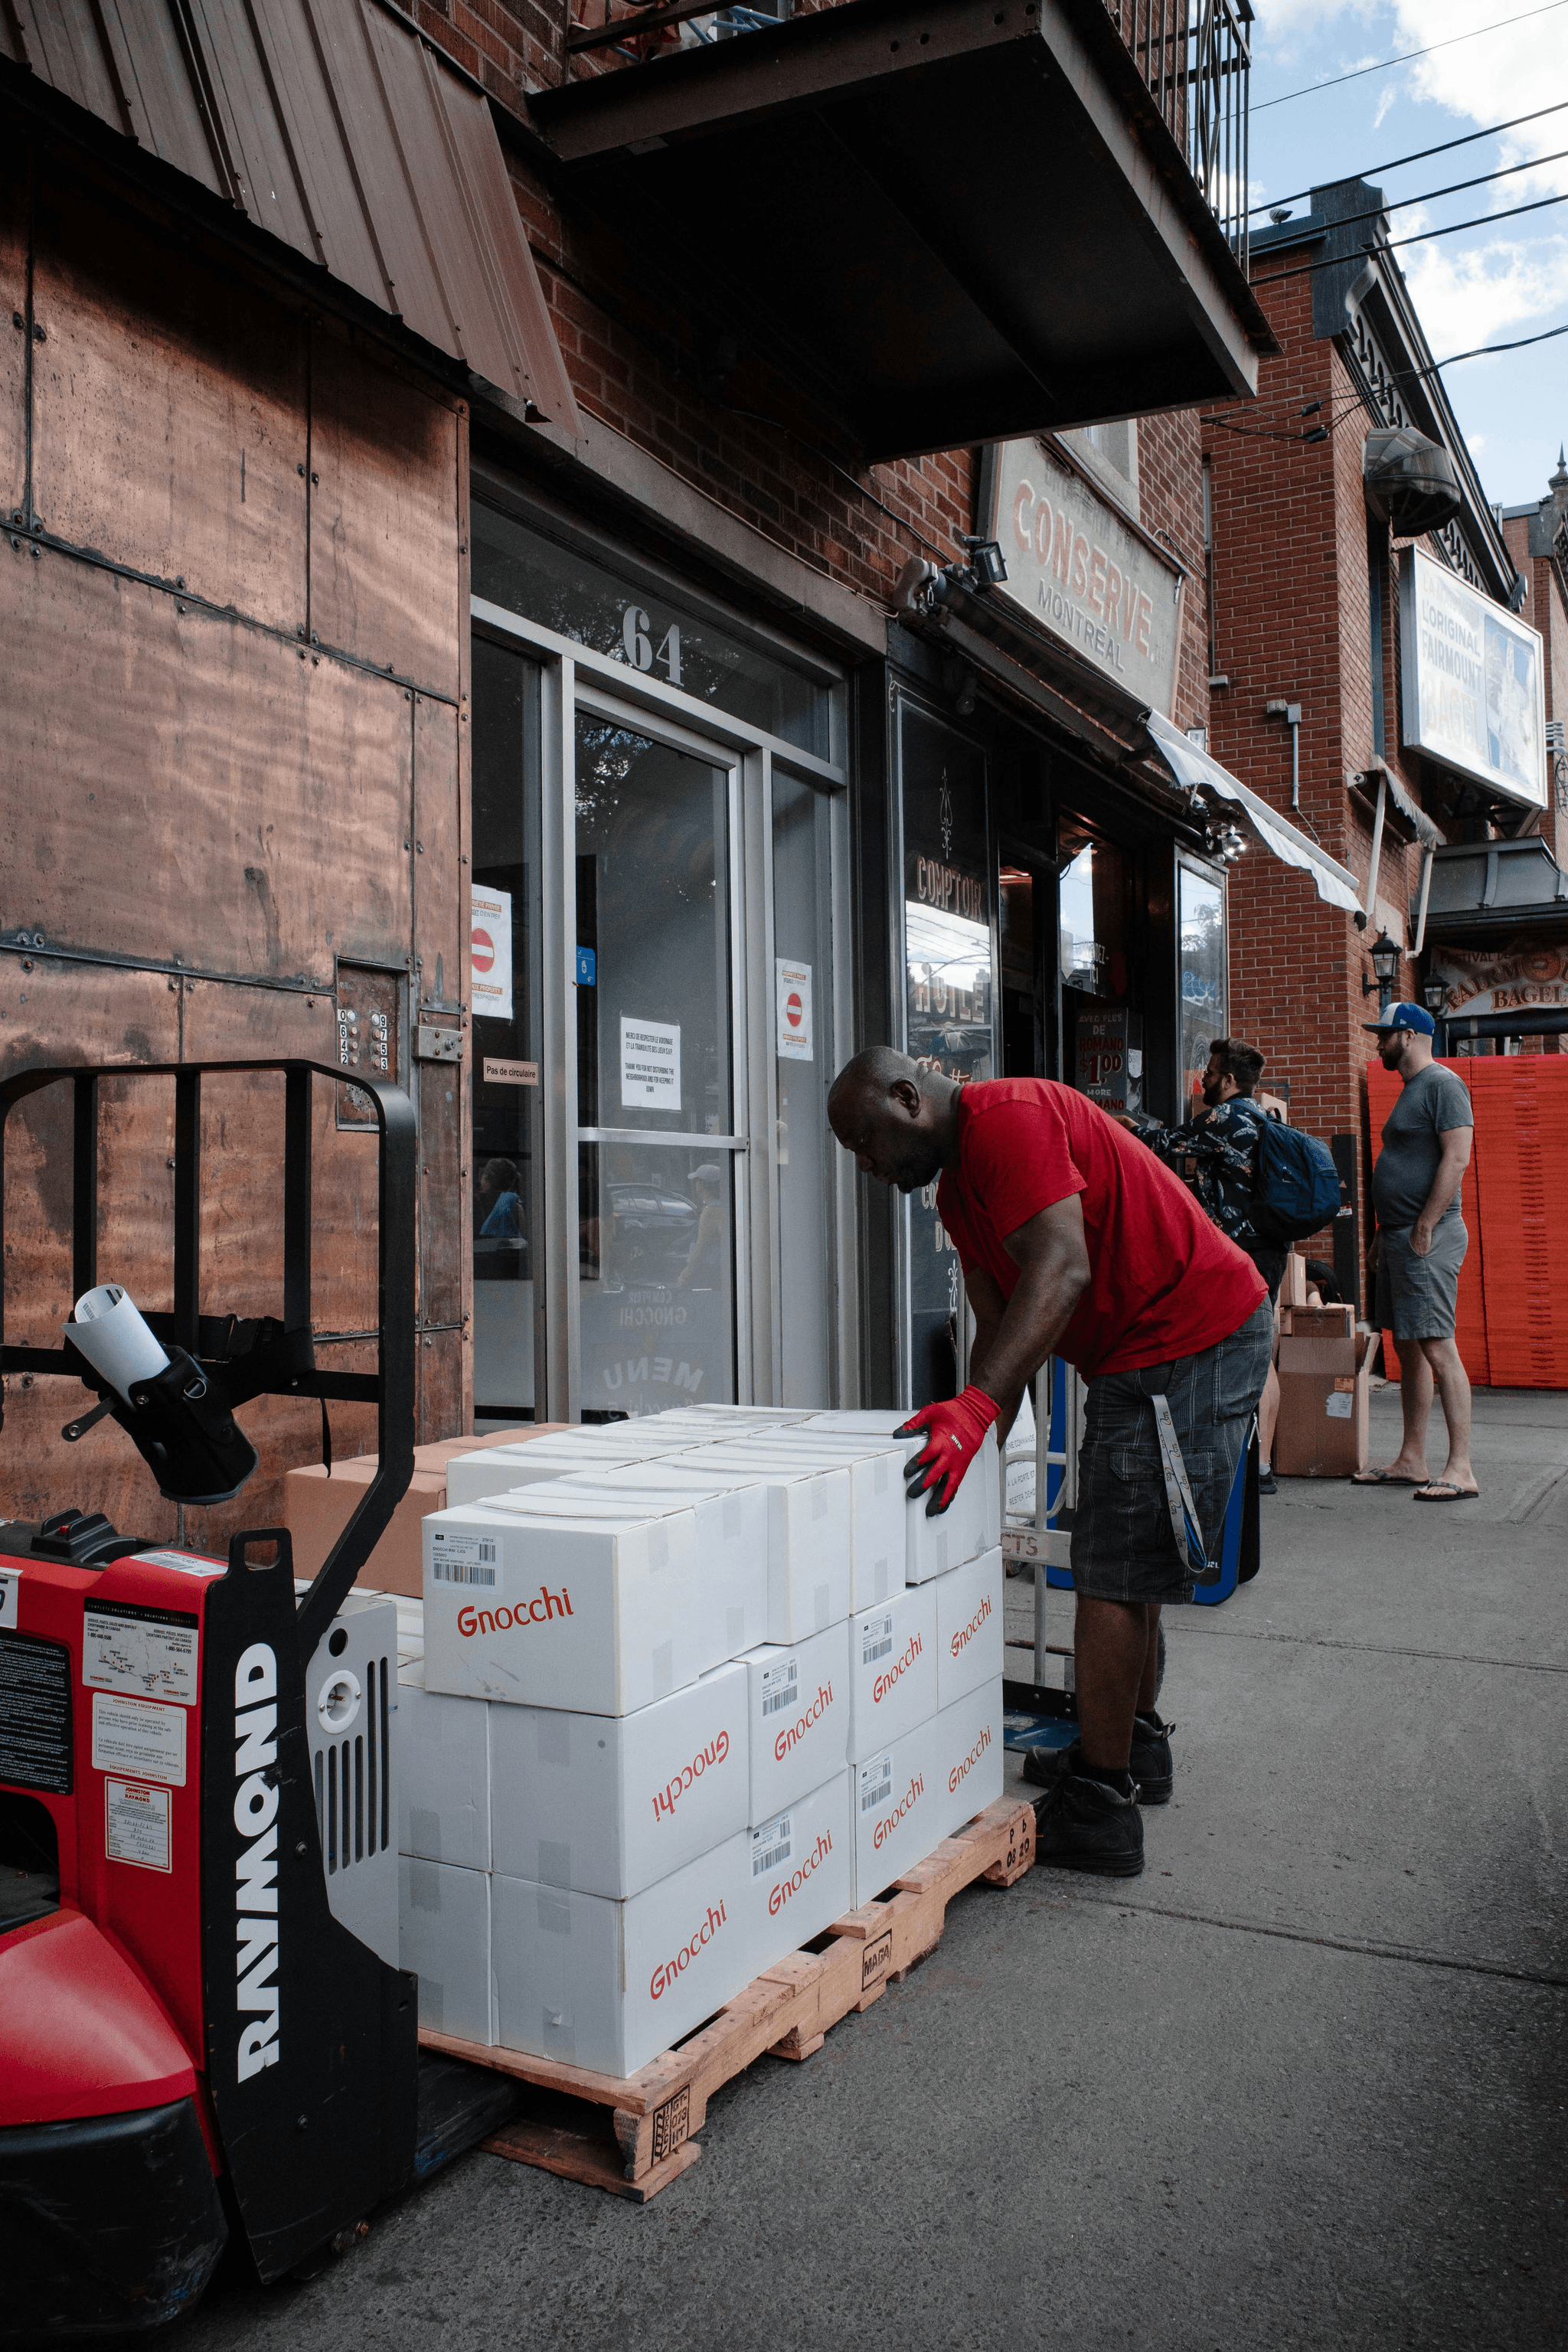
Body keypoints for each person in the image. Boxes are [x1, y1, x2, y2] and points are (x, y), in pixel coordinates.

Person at [827, 1049, 1272, 1878]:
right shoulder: (959, 1188)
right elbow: (998, 1325)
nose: (865, 1167)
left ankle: (1100, 1806)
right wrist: (974, 1445)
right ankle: (1132, 1748)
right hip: (1138, 1353)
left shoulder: (1008, 1119)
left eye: (863, 1143)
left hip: (1188, 1337)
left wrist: (974, 1412)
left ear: (905, 1098)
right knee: (1120, 1554)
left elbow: (1060, 1268)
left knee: (1111, 1571)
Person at [1123, 1037, 1289, 1493]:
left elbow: (1163, 1142)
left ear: (1230, 1080)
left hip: (1238, 1256)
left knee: (1227, 1351)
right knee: (1260, 1353)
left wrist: (1121, 1126)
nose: (1203, 1080)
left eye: (1211, 1072)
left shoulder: (1225, 1117)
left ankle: (1227, 1463)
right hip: (1269, 1251)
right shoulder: (1262, 1116)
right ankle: (1261, 1467)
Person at [1351, 1003, 1478, 1500]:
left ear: (1407, 1035)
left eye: (1383, 1035)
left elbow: (1457, 1157)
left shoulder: (1444, 1084)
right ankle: (1412, 1459)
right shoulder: (1412, 1091)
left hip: (1431, 1234)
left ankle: (1461, 1468)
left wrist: (1424, 1225)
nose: (1378, 1043)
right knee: (1410, 1347)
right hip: (1403, 1235)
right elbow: (1408, 1161)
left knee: (1437, 1345)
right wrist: (1386, 1231)